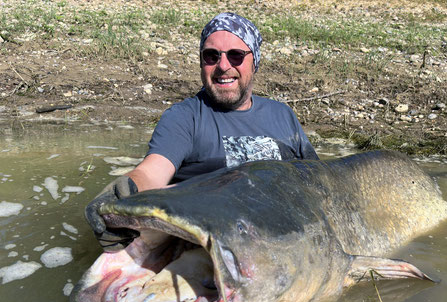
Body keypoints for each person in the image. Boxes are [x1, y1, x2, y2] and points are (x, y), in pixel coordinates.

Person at [85, 12, 319, 250]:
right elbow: (151, 174)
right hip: (216, 251)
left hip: (290, 248)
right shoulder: (185, 118)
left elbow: (319, 182)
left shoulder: (282, 115)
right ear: (201, 62)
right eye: (211, 56)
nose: (223, 66)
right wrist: (123, 196)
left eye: (236, 55)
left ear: (255, 61)